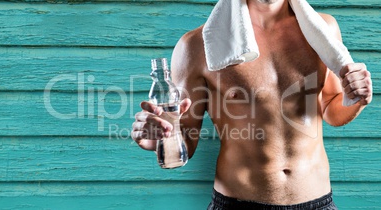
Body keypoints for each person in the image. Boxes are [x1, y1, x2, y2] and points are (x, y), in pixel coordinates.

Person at [131, 0, 373, 209]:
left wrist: (357, 98)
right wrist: (154, 137)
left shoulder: (323, 30)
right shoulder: (196, 47)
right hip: (238, 203)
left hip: (317, 200)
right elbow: (183, 139)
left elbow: (330, 106)